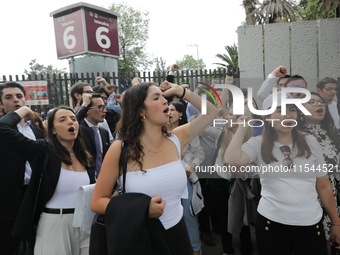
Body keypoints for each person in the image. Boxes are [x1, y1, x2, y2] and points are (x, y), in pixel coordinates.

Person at [91, 81, 219, 254]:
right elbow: (97, 202)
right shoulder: (120, 149)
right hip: (142, 239)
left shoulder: (176, 139)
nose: (165, 101)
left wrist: (182, 91)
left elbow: (212, 112)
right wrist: (142, 209)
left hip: (178, 235)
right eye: (156, 97)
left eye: (163, 96)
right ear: (140, 111)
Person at [224, 92, 340, 255]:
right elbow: (231, 159)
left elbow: (323, 185)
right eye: (279, 110)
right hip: (271, 225)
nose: (287, 115)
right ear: (268, 117)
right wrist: (243, 127)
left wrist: (336, 223)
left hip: (310, 223)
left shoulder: (310, 141)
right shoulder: (258, 143)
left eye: (292, 109)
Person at [0, 105, 95, 255]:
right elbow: (2, 128)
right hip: (55, 224)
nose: (70, 122)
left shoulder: (85, 155)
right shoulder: (42, 150)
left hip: (85, 224)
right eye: (62, 120)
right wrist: (23, 110)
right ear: (53, 130)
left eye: (73, 119)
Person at [0, 82, 44, 254]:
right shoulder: (3, 128)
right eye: (8, 97)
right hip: (8, 202)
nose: (16, 100)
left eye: (19, 96)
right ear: (1, 103)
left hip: (34, 196)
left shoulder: (35, 129)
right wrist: (22, 113)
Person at [298, 92, 340, 243]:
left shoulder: (333, 132)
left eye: (321, 102)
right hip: (315, 195)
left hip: (336, 193)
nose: (319, 104)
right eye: (312, 102)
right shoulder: (297, 136)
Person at [169, 100, 204, 255]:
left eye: (172, 109)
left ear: (181, 113)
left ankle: (195, 248)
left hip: (185, 179)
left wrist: (190, 166)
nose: (168, 112)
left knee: (187, 214)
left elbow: (199, 154)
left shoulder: (188, 132)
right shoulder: (159, 132)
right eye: (166, 109)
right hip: (167, 181)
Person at [76, 93, 111, 177]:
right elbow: (73, 122)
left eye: (104, 107)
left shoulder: (104, 132)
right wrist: (84, 105)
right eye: (100, 107)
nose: (105, 111)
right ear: (87, 110)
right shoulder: (78, 130)